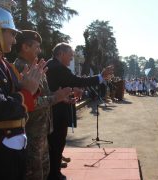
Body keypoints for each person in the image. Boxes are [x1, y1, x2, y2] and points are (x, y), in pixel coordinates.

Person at [0, 1, 47, 179]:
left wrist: (29, 86)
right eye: (11, 33)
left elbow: (22, 94)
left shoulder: (4, 64)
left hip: (14, 147)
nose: (15, 40)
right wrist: (25, 92)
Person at [46, 42, 114, 180]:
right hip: (56, 112)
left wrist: (70, 92)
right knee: (57, 141)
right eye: (70, 56)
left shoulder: (53, 64)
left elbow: (62, 85)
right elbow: (77, 80)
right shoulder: (58, 67)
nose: (71, 59)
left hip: (55, 109)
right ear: (61, 53)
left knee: (56, 142)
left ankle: (55, 166)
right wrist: (100, 76)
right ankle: (54, 174)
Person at [13, 30, 72, 180]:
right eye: (36, 47)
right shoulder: (20, 68)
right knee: (34, 173)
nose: (39, 50)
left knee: (44, 171)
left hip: (42, 131)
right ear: (25, 47)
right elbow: (28, 102)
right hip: (31, 132)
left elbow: (43, 94)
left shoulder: (35, 66)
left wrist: (61, 97)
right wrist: (55, 99)